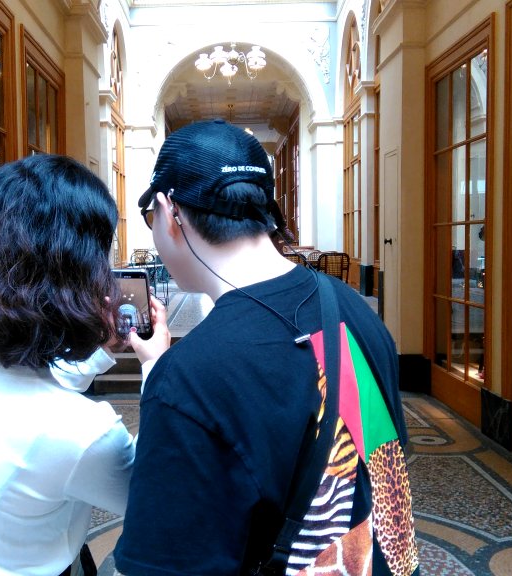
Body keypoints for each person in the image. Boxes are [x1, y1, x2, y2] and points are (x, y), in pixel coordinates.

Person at [114, 120, 418, 576]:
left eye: (148, 215)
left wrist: (165, 375)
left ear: (168, 210)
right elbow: (381, 474)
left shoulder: (189, 378)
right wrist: (160, 365)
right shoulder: (353, 308)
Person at [0, 154, 136, 576]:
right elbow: (155, 491)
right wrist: (160, 369)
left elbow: (32, 389)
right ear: (79, 272)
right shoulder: (85, 432)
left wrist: (100, 351)